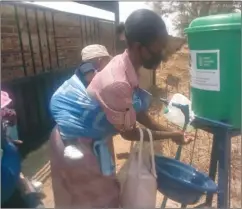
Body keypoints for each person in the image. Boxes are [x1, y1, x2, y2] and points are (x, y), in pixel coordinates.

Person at [49, 9, 192, 208]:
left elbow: (138, 113)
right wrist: (170, 135)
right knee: (93, 201)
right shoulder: (117, 82)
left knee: (108, 192)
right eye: (156, 50)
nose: (161, 56)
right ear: (138, 46)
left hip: (95, 139)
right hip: (75, 143)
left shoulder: (126, 65)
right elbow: (130, 133)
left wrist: (172, 132)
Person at [51, 44, 112, 159]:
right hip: (64, 105)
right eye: (107, 62)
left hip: (67, 107)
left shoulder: (92, 67)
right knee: (69, 126)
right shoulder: (87, 67)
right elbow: (92, 80)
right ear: (100, 60)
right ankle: (69, 146)